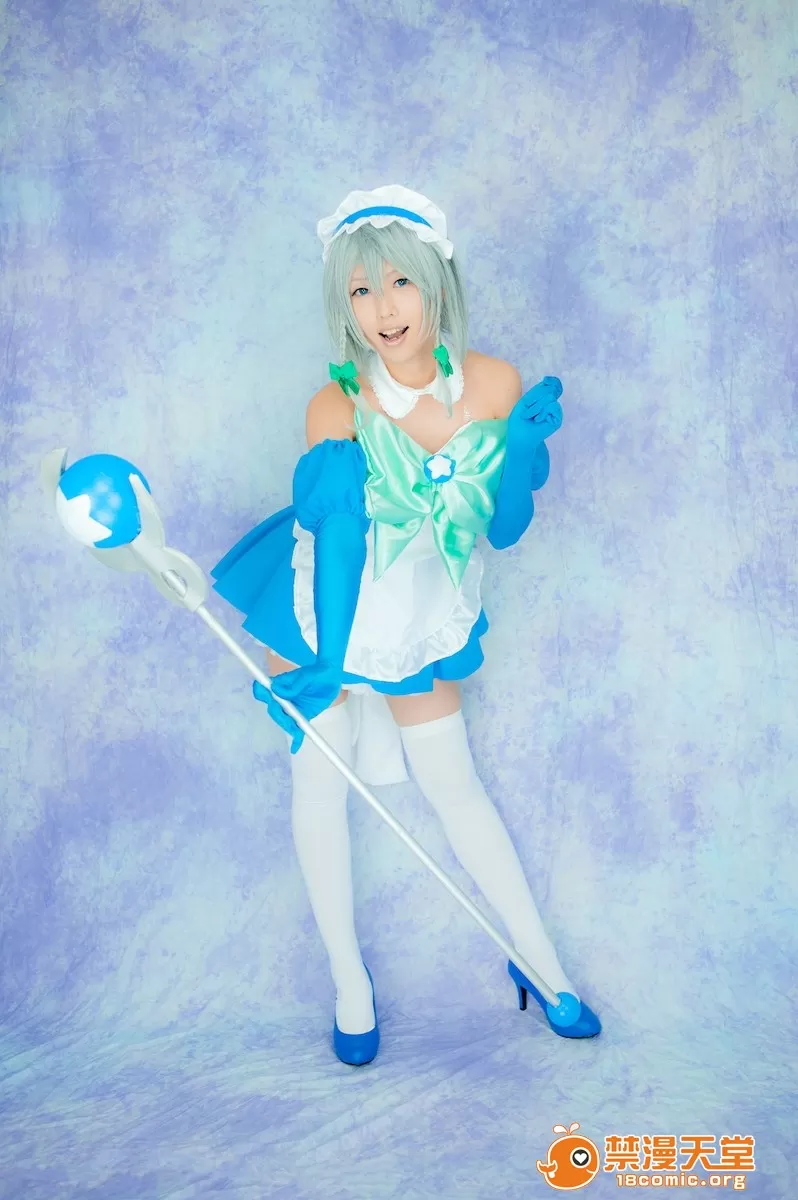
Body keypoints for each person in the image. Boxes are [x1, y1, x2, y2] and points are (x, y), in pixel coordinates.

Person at [211, 185, 601, 1066]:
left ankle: (543, 964)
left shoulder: (494, 383)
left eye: (399, 283)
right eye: (360, 290)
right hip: (328, 610)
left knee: (454, 784)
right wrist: (328, 662)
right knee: (320, 784)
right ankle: (349, 985)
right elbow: (341, 540)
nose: (383, 310)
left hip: (422, 612)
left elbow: (501, 528)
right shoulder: (336, 405)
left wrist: (523, 449)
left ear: (436, 283)